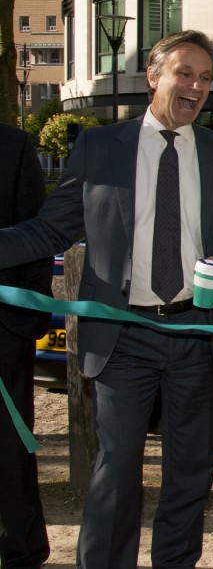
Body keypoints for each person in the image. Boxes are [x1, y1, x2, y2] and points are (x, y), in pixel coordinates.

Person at [0, 30, 213, 569]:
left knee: (191, 475)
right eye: (185, 73)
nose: (196, 86)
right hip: (123, 338)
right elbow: (49, 232)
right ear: (153, 78)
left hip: (197, 332)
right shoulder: (99, 149)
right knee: (115, 473)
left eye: (206, 78)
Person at [0, 124, 52, 569]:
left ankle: (22, 553)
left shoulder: (11, 146)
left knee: (10, 458)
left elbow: (37, 234)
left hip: (2, 338)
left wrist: (22, 325)